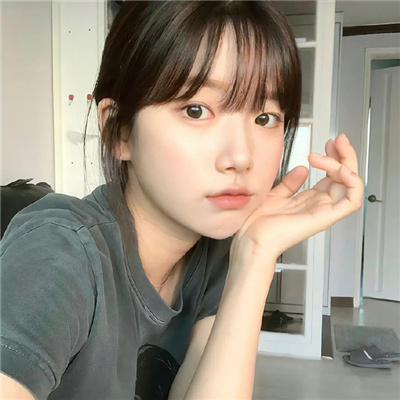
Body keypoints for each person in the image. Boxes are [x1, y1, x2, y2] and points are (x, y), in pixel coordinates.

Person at [0, 2, 363, 399]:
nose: (241, 157)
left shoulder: (217, 251)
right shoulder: (59, 255)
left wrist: (257, 254)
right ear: (120, 131)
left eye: (265, 118)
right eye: (196, 110)